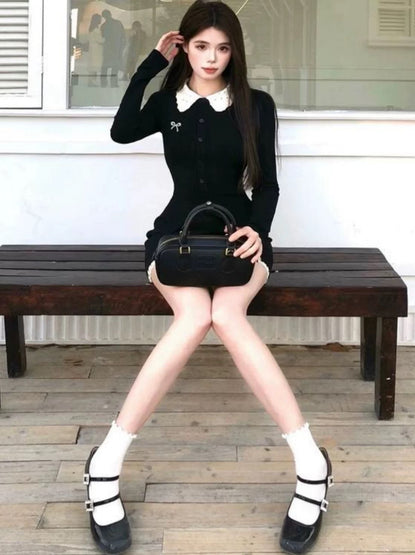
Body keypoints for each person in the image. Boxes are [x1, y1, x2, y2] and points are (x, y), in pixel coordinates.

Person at [83, 2, 333, 554]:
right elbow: (121, 132)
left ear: (235, 51)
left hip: (240, 238)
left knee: (227, 315)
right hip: (174, 239)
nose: (212, 58)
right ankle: (106, 463)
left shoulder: (256, 105)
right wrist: (151, 64)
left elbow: (267, 184)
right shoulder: (167, 101)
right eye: (201, 47)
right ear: (186, 47)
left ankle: (310, 464)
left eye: (222, 48)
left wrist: (258, 231)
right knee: (195, 317)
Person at [100, 9, 126, 87]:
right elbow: (123, 36)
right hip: (113, 48)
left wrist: (122, 46)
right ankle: (111, 83)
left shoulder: (105, 26)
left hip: (112, 48)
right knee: (111, 66)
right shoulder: (117, 23)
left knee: (108, 66)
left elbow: (123, 36)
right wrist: (122, 46)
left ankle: (106, 83)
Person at [87, 13, 103, 86]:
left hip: (93, 49)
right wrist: (106, 40)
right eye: (99, 19)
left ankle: (91, 81)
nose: (101, 20)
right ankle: (92, 81)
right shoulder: (96, 30)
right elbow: (100, 40)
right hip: (96, 50)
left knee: (93, 66)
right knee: (95, 66)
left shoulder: (91, 28)